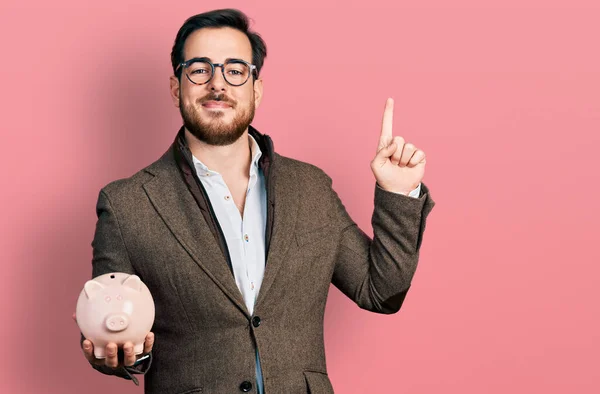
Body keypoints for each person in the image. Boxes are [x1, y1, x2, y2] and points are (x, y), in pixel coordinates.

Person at [75, 8, 435, 394]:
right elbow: (108, 323)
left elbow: (380, 291)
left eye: (235, 70)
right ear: (176, 87)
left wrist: (398, 194)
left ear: (256, 89)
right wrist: (119, 351)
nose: (217, 84)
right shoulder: (127, 204)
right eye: (199, 69)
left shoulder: (311, 188)